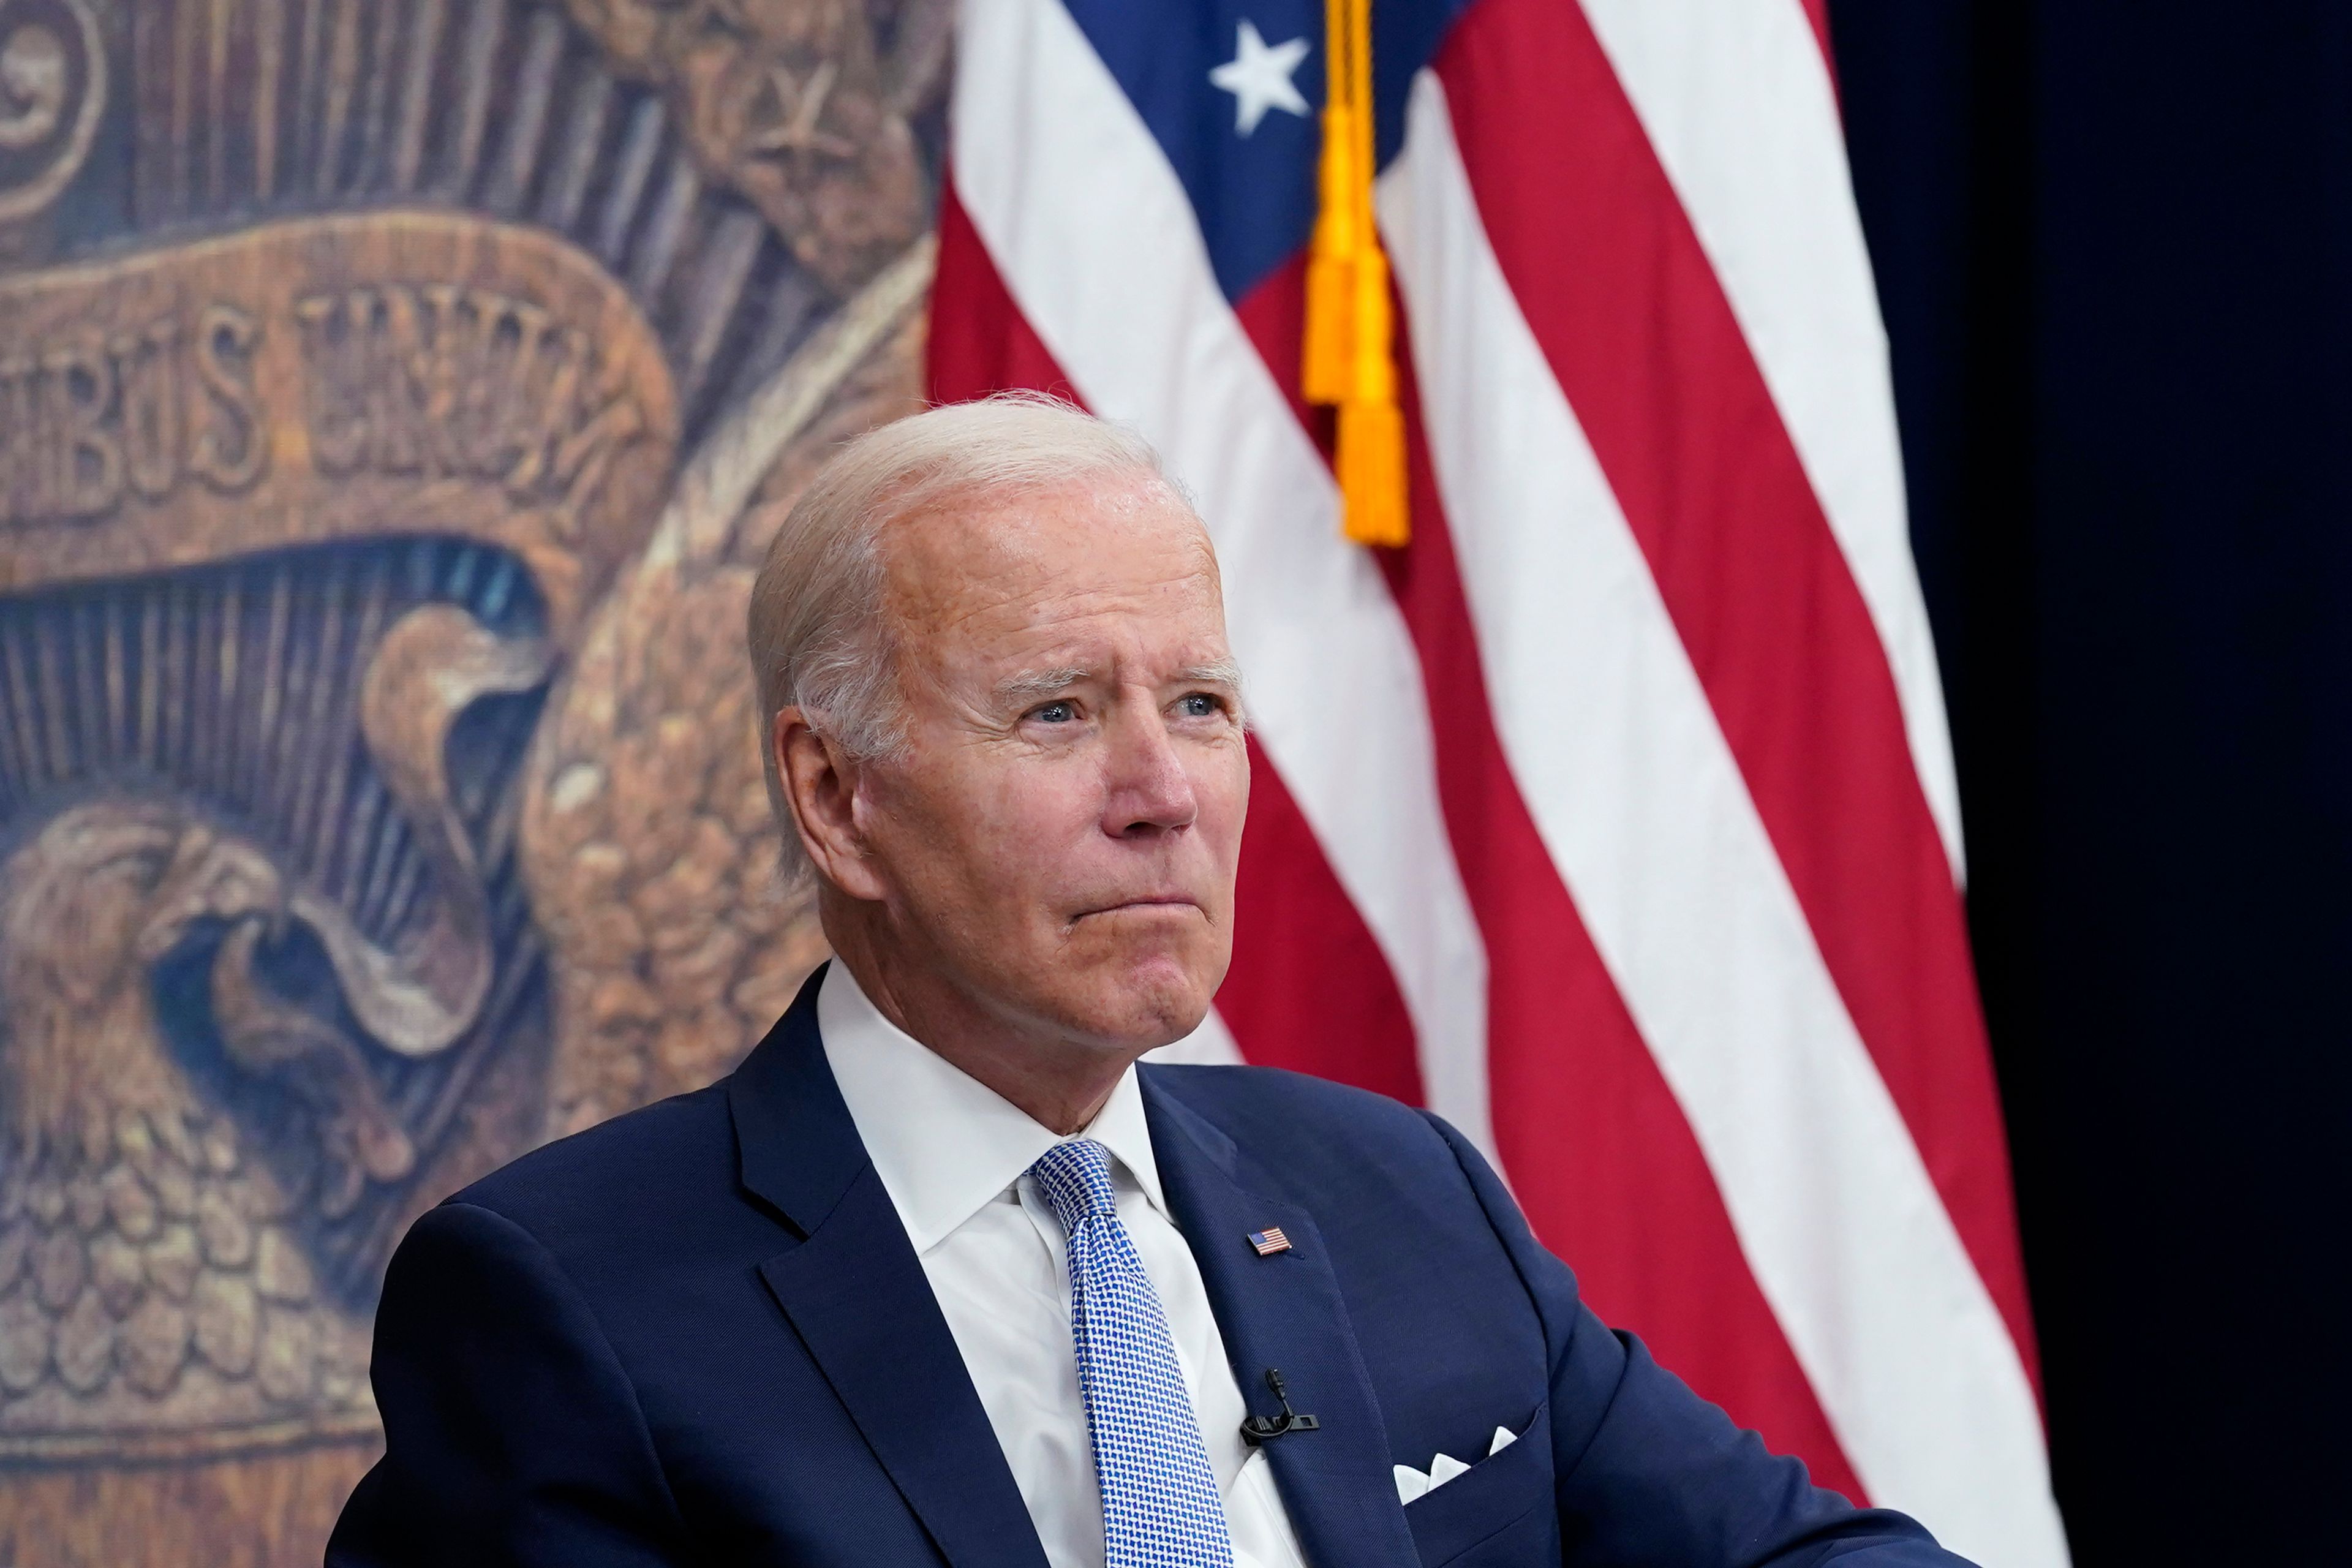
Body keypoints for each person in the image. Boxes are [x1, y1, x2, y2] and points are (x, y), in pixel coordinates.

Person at [326, 396, 1971, 1567]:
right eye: (1057, 712)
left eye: (1196, 703)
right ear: (839, 798)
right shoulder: (566, 1305)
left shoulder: (1399, 1195)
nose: (1162, 789)